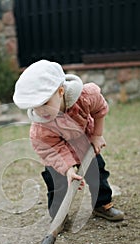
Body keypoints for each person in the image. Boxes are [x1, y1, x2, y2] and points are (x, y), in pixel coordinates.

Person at [13, 59, 124, 221]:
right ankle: (59, 215)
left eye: (45, 103)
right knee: (56, 182)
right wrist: (68, 169)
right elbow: (50, 148)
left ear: (60, 91)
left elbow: (100, 108)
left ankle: (101, 204)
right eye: (35, 106)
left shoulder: (85, 97)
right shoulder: (40, 128)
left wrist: (97, 135)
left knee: (97, 171)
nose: (40, 110)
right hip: (57, 153)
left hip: (84, 142)